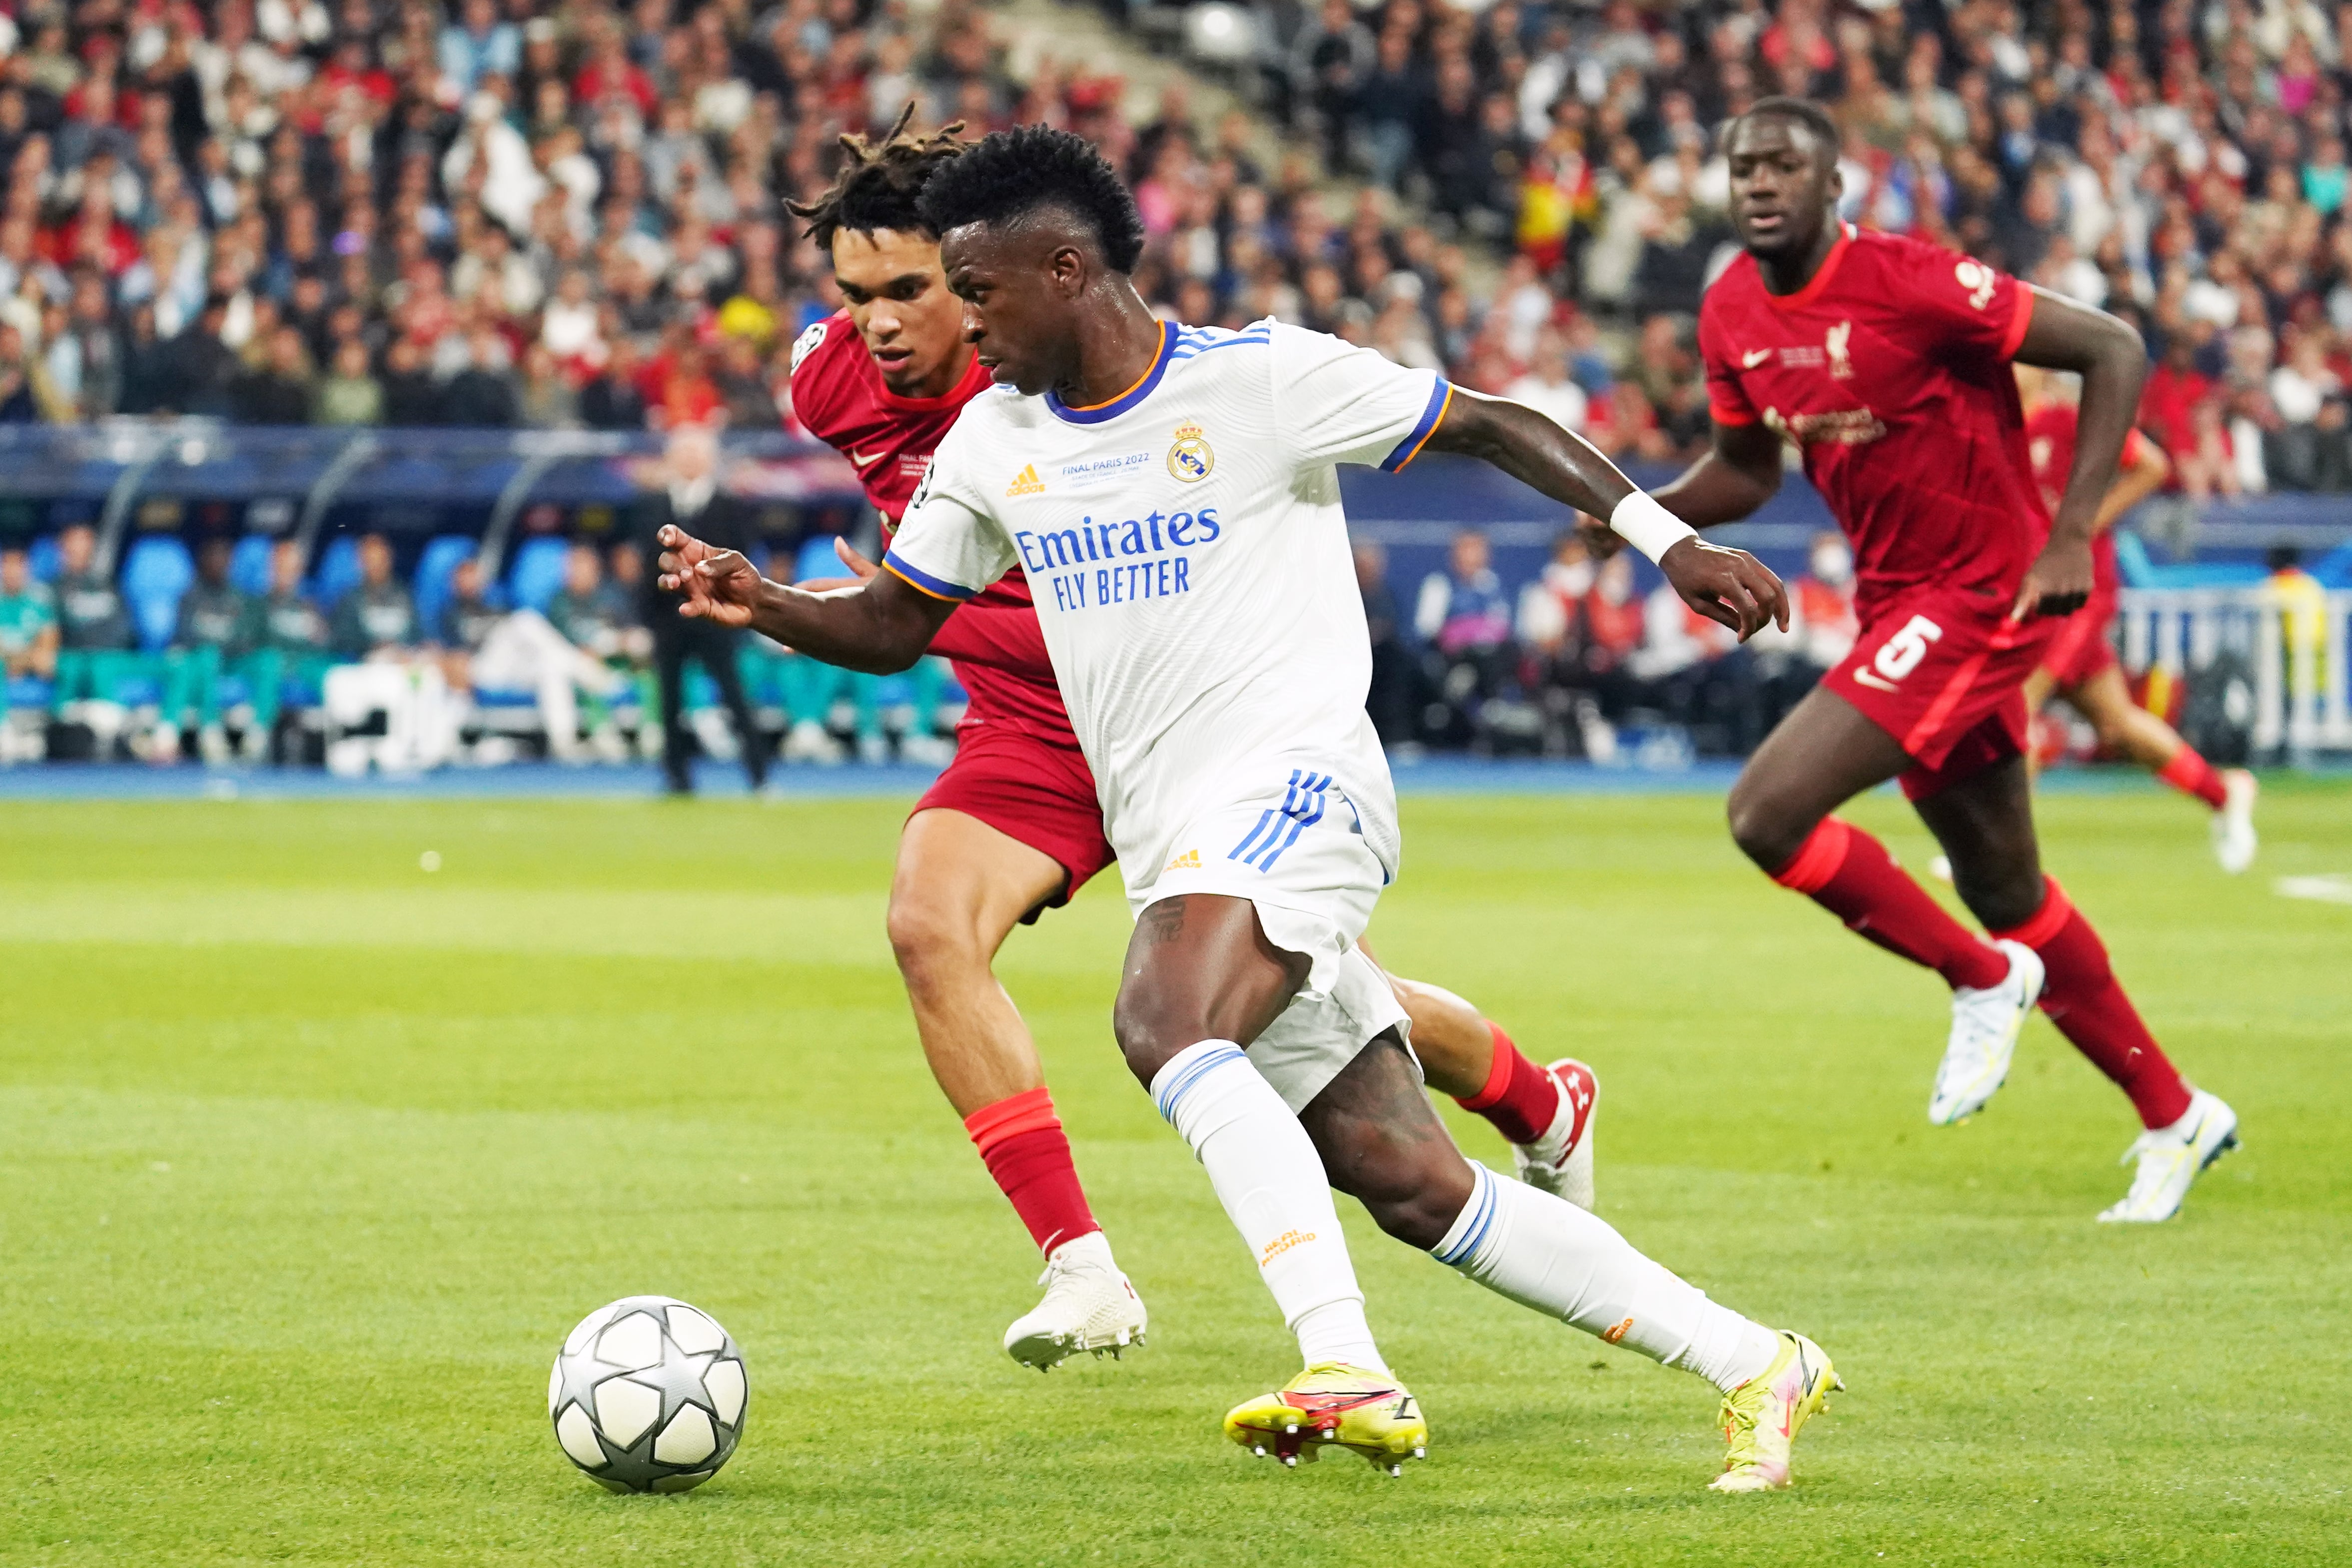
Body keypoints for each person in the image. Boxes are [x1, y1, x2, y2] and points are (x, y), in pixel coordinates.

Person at [662, 123, 1833, 1492]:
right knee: (1406, 1179)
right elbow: (890, 622)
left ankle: (1346, 1367)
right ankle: (1756, 1358)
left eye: (977, 293)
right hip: (1174, 835)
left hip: (1301, 785)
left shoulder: (1261, 380)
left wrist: (1670, 543)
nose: (961, 325)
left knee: (1160, 1018)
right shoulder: (993, 441)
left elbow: (1495, 423)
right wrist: (769, 606)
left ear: (1065, 270)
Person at [779, 114, 1615, 1374]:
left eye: (914, 291)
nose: (883, 324)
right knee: (924, 925)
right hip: (1031, 726)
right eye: (857, 300)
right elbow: (914, 582)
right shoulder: (828, 382)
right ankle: (1080, 1266)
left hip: (1192, 724)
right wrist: (876, 595)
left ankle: (1538, 1097)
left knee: (1333, 1008)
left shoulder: (1048, 361)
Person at [1665, 97, 2237, 1224]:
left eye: (1783, 166)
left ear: (1835, 186)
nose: (1759, 185)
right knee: (2002, 886)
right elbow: (1745, 469)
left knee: (1765, 812)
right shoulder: (1730, 309)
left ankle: (1979, 978)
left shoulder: (1913, 282)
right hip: (1898, 608)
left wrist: (2073, 527)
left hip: (1983, 592)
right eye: (1743, 168)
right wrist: (1642, 512)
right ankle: (2175, 1114)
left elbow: (2111, 348)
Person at [2017, 368, 2258, 872]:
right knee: (2117, 724)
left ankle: (1999, 856)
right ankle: (2224, 792)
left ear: (2039, 368)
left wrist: (2080, 526)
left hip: (2079, 589)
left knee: (2016, 704)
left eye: (2018, 361)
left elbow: (2150, 465)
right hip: (2030, 590)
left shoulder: (2069, 420)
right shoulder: (1994, 424)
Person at [630, 423, 768, 795]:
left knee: (735, 696)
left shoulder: (730, 505)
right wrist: (644, 620)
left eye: (697, 453)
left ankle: (758, 775)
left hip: (715, 617)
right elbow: (644, 566)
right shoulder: (653, 504)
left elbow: (741, 562)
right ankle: (676, 778)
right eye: (684, 453)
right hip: (667, 618)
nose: (690, 460)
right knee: (669, 701)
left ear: (710, 460)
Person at [158, 537, 262, 765]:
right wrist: (215, 645)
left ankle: (258, 735)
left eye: (224, 559)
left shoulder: (239, 598)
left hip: (232, 663)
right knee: (206, 657)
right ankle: (209, 730)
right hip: (200, 664)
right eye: (213, 558)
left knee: (267, 661)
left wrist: (223, 646)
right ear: (203, 562)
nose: (219, 564)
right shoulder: (191, 597)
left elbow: (246, 640)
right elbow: (184, 637)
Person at [49, 522, 148, 754]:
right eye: (72, 547)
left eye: (83, 546)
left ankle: (120, 736)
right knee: (82, 665)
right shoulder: (54, 589)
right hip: (73, 660)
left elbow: (127, 630)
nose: (78, 553)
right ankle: (60, 736)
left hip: (111, 659)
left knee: (103, 665)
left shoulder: (110, 585)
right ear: (62, 551)